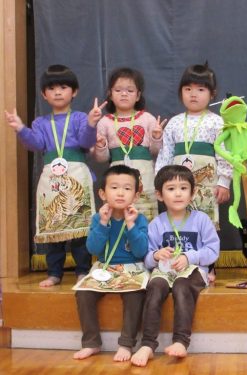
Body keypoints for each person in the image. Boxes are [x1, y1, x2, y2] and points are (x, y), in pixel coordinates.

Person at [4, 64, 106, 287]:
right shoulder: (40, 123)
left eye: (63, 87)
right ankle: (54, 273)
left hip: (77, 177)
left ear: (75, 91)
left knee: (80, 229)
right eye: (51, 88)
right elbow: (36, 143)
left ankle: (82, 270)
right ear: (44, 94)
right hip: (52, 182)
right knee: (54, 227)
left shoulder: (79, 118)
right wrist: (20, 128)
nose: (58, 92)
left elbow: (86, 142)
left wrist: (91, 123)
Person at [130, 165, 219, 366]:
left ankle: (180, 341)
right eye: (171, 189)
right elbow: (147, 258)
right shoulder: (156, 224)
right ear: (160, 195)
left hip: (193, 272)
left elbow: (213, 251)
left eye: (183, 188)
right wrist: (155, 255)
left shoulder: (202, 220)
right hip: (164, 271)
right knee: (155, 287)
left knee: (181, 286)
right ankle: (147, 345)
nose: (178, 193)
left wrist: (190, 257)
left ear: (193, 192)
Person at [155, 62, 231, 282]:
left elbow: (225, 155)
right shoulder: (175, 123)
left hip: (206, 185)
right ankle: (178, 259)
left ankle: (209, 265)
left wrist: (224, 182)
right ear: (181, 92)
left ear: (212, 93)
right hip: (178, 184)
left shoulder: (217, 122)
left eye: (200, 89)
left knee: (207, 223)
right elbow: (165, 154)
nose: (194, 95)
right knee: (179, 222)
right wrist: (160, 181)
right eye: (188, 89)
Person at [73, 165, 149, 361]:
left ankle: (126, 344)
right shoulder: (98, 218)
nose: (120, 193)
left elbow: (141, 251)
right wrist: (103, 224)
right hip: (104, 268)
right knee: (83, 294)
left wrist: (131, 225)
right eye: (114, 187)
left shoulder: (140, 219)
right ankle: (91, 343)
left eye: (127, 188)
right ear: (103, 193)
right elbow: (93, 249)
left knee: (135, 295)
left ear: (136, 195)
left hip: (133, 269)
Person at [92, 67, 164, 221]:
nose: (124, 94)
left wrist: (157, 138)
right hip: (118, 177)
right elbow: (102, 159)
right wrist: (101, 146)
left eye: (130, 91)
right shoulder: (104, 122)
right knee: (119, 215)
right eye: (118, 90)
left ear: (138, 95)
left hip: (145, 176)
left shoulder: (147, 119)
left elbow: (156, 152)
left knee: (146, 218)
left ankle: (147, 244)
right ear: (110, 94)